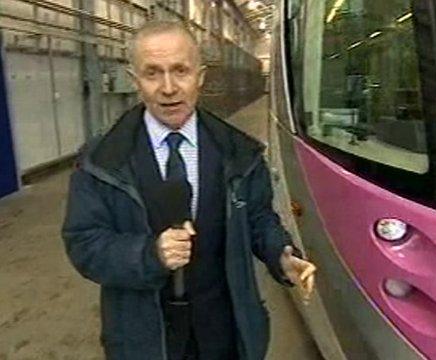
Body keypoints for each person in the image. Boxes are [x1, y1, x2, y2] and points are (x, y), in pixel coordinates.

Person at [61, 20, 316, 360]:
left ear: (200, 77)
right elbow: (84, 243)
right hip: (143, 337)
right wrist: (149, 254)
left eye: (180, 70)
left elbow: (258, 217)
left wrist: (281, 254)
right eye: (153, 73)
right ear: (135, 81)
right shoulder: (101, 162)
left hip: (225, 329)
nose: (169, 87)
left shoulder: (239, 153)